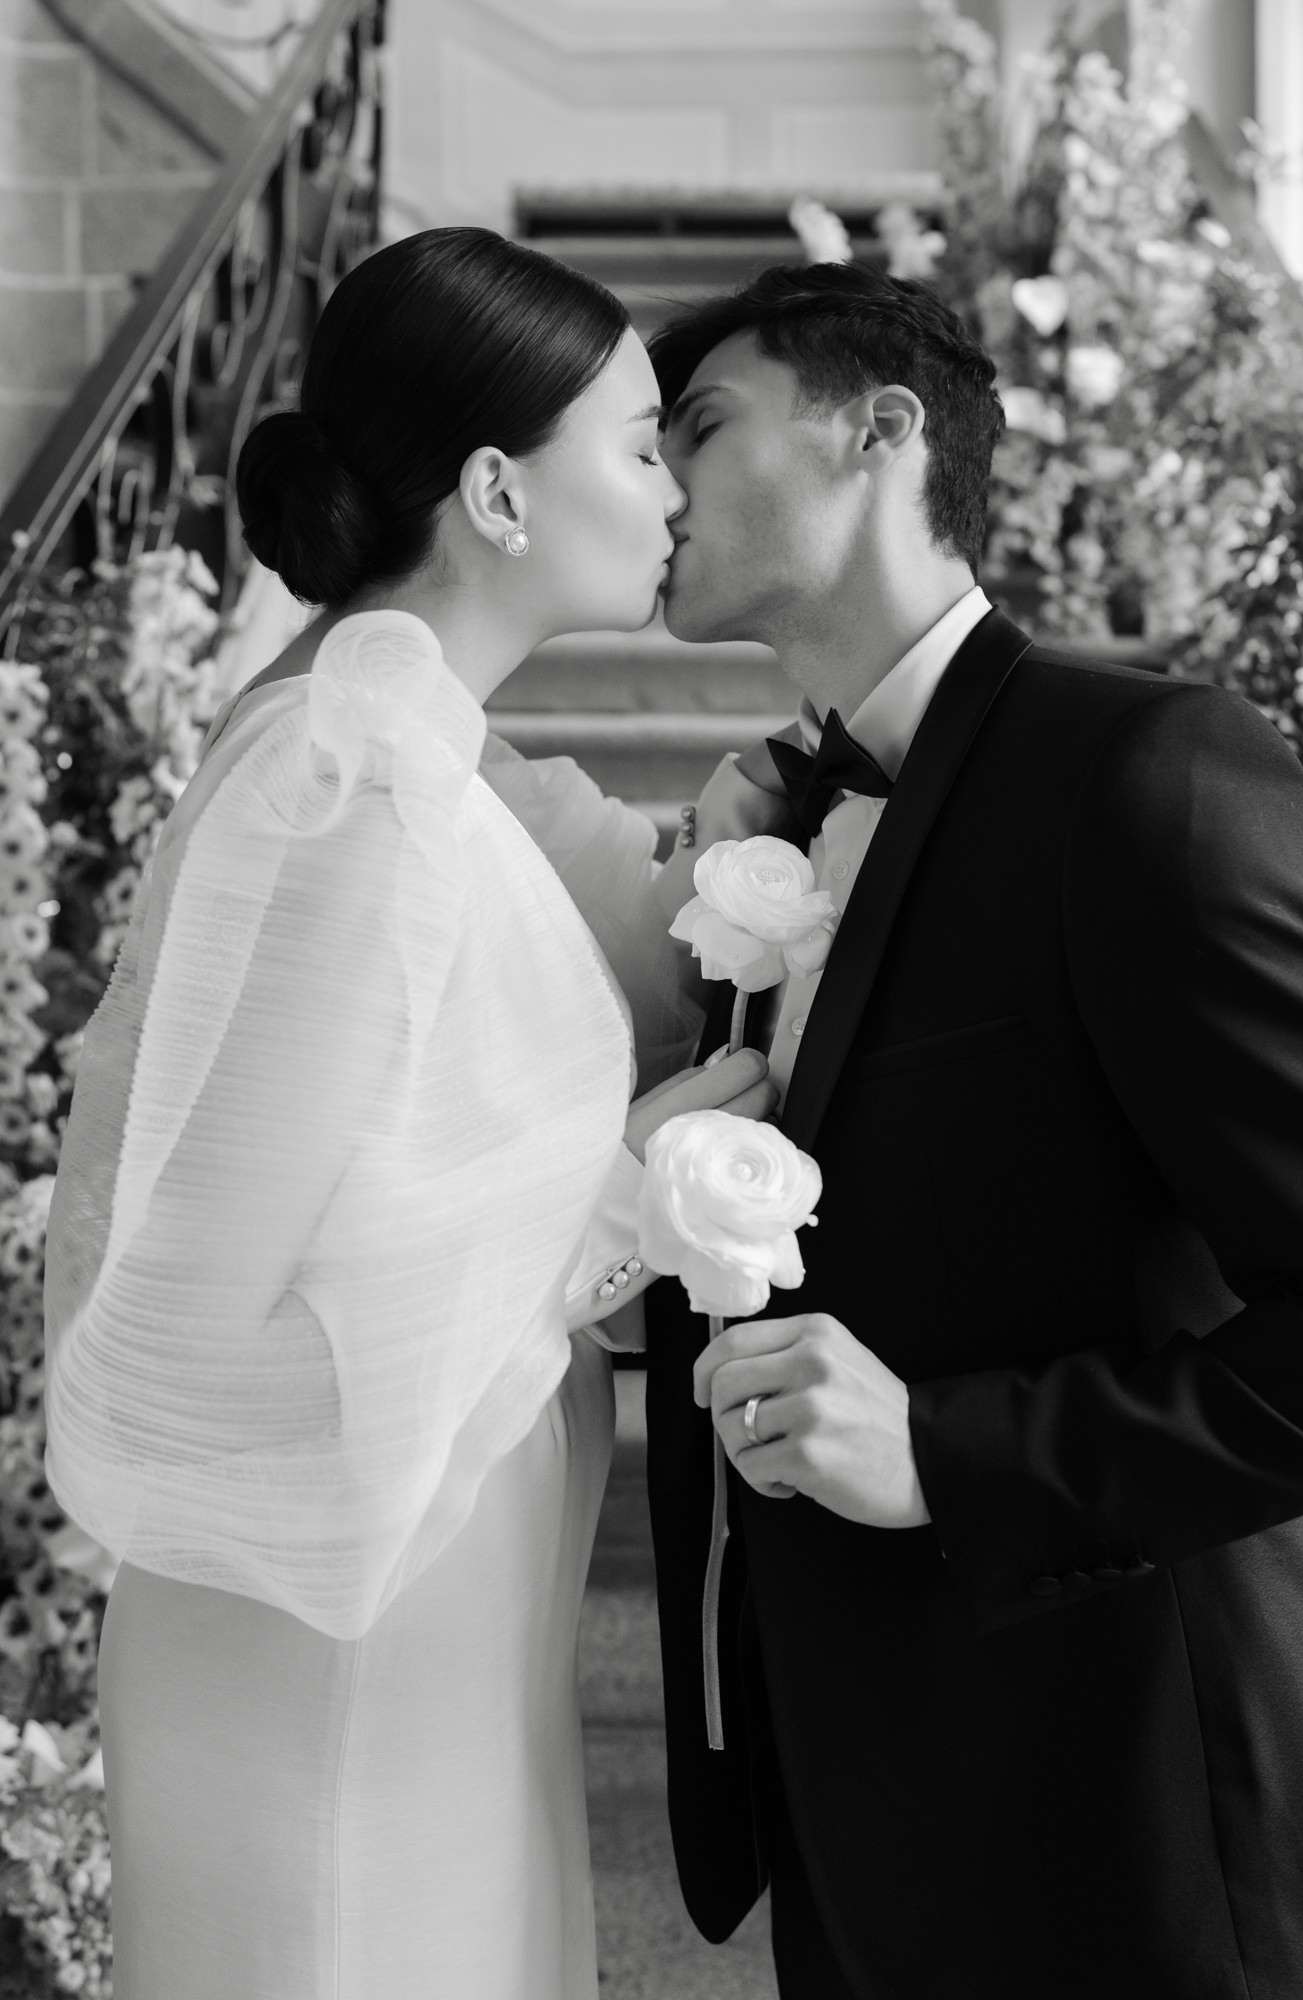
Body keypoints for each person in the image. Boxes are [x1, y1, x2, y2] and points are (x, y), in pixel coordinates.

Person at [42, 226, 774, 2000]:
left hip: (423, 1593)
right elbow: (183, 1318)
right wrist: (624, 1193)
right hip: (330, 1639)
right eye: (631, 439)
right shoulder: (345, 782)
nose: (671, 485)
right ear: (498, 494)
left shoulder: (410, 754)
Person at [642, 260, 1303, 1999]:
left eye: (700, 427)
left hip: (1124, 1821)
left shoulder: (1149, 775)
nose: (657, 482)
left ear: (881, 436)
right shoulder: (780, 817)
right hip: (857, 1803)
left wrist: (954, 1454)